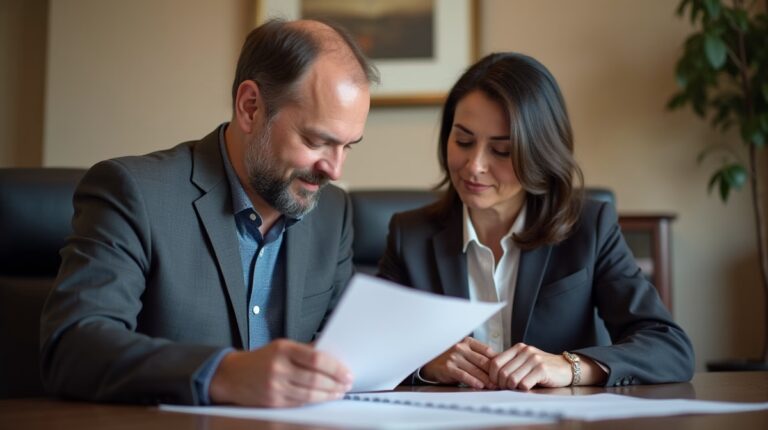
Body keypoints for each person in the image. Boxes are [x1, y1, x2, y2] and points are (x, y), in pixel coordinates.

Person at [40, 19, 378, 407]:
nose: (334, 170)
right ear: (250, 108)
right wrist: (224, 373)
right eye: (317, 141)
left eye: (348, 146)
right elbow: (72, 347)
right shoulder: (133, 192)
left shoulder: (332, 212)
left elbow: (346, 348)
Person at [378, 52, 694, 390]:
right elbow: (362, 353)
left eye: (502, 150)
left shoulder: (589, 227)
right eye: (463, 141)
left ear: (540, 152)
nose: (474, 165)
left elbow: (669, 347)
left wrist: (571, 367)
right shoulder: (409, 235)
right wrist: (427, 365)